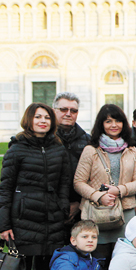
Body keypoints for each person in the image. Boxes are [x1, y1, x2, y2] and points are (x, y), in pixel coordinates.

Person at [0, 102, 72, 270]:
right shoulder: (17, 149)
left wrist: (62, 207)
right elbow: (5, 188)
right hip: (24, 218)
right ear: (29, 120)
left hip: (51, 219)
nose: (42, 121)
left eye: (47, 117)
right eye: (38, 117)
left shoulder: (58, 149)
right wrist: (4, 223)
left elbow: (64, 183)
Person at [74, 104, 136, 258]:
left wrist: (119, 190)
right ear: (101, 124)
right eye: (108, 121)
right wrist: (99, 196)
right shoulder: (91, 150)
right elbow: (78, 182)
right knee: (99, 259)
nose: (114, 125)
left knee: (124, 259)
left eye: (118, 121)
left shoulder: (132, 150)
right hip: (97, 212)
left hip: (125, 213)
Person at [53, 92, 88, 221]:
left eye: (73, 110)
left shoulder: (88, 141)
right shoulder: (45, 139)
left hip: (80, 209)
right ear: (54, 111)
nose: (68, 114)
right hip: (50, 207)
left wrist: (79, 203)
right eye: (63, 109)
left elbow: (94, 176)